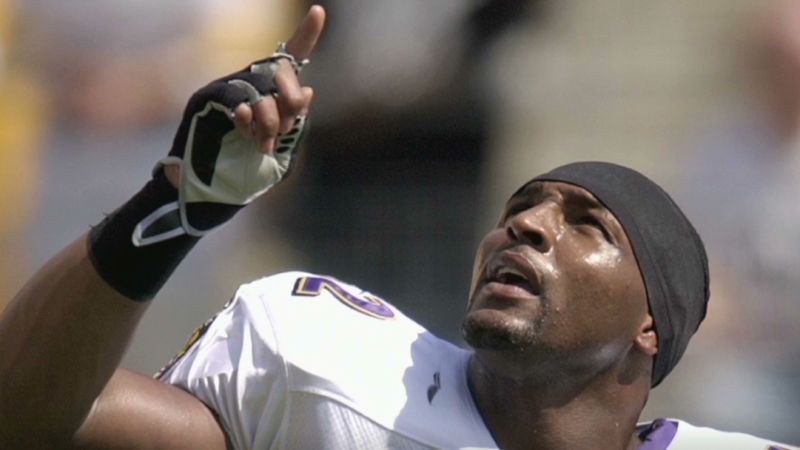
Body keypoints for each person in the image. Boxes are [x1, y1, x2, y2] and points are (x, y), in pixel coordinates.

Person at [0, 6, 795, 450]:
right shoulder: (324, 374)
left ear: (652, 324)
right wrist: (168, 212)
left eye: (588, 225)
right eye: (520, 210)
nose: (526, 229)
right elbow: (27, 415)